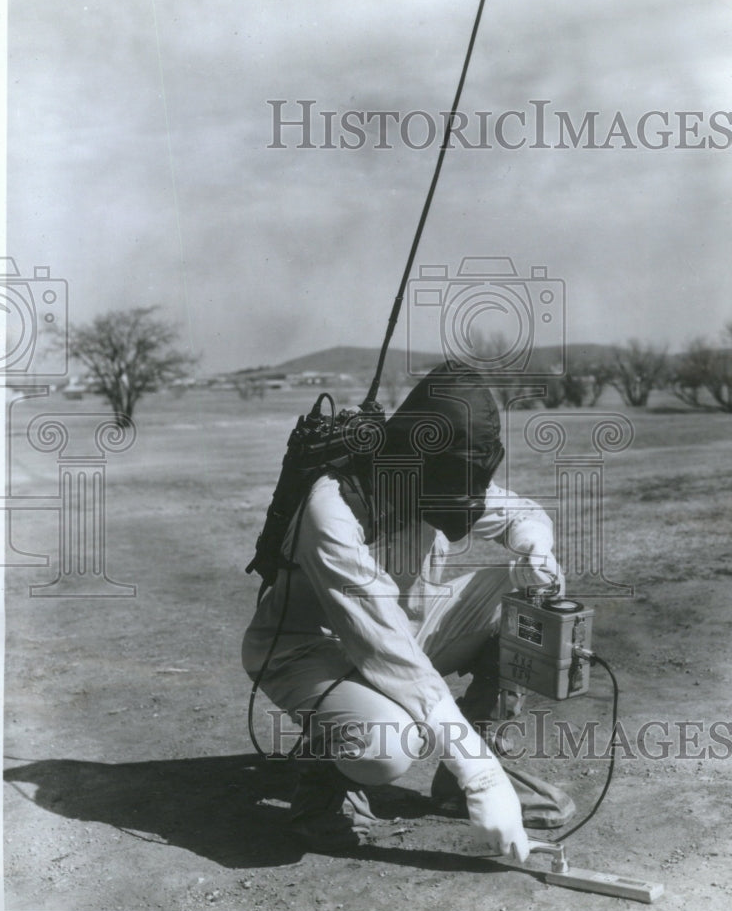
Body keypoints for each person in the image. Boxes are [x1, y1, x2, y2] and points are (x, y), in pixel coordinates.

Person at [242, 361, 574, 857]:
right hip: (310, 651)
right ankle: (324, 774)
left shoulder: (431, 475)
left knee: (533, 596)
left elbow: (524, 514)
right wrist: (477, 773)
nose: (466, 498)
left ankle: (458, 782)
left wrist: (535, 555)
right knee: (388, 746)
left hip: (399, 633)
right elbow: (384, 648)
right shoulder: (330, 509)